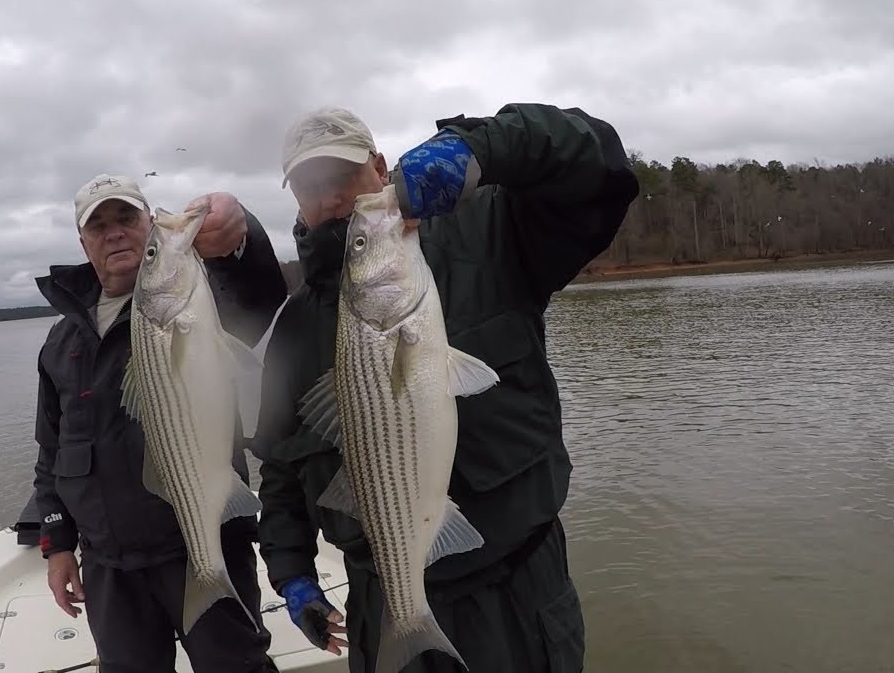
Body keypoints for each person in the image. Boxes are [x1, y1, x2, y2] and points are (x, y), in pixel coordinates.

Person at [253, 104, 639, 673]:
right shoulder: (292, 329)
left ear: (381, 167)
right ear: (296, 201)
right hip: (379, 600)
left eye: (344, 176)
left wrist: (479, 146)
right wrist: (292, 574)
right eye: (314, 185)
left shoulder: (489, 235)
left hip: (516, 599)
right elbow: (282, 470)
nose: (333, 198)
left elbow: (596, 167)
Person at [32, 173, 288, 673]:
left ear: (150, 223)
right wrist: (57, 544)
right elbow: (51, 449)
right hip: (110, 567)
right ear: (83, 243)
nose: (115, 233)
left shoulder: (201, 300)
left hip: (204, 539)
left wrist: (241, 236)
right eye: (98, 225)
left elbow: (259, 291)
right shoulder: (61, 343)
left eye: (127, 217)